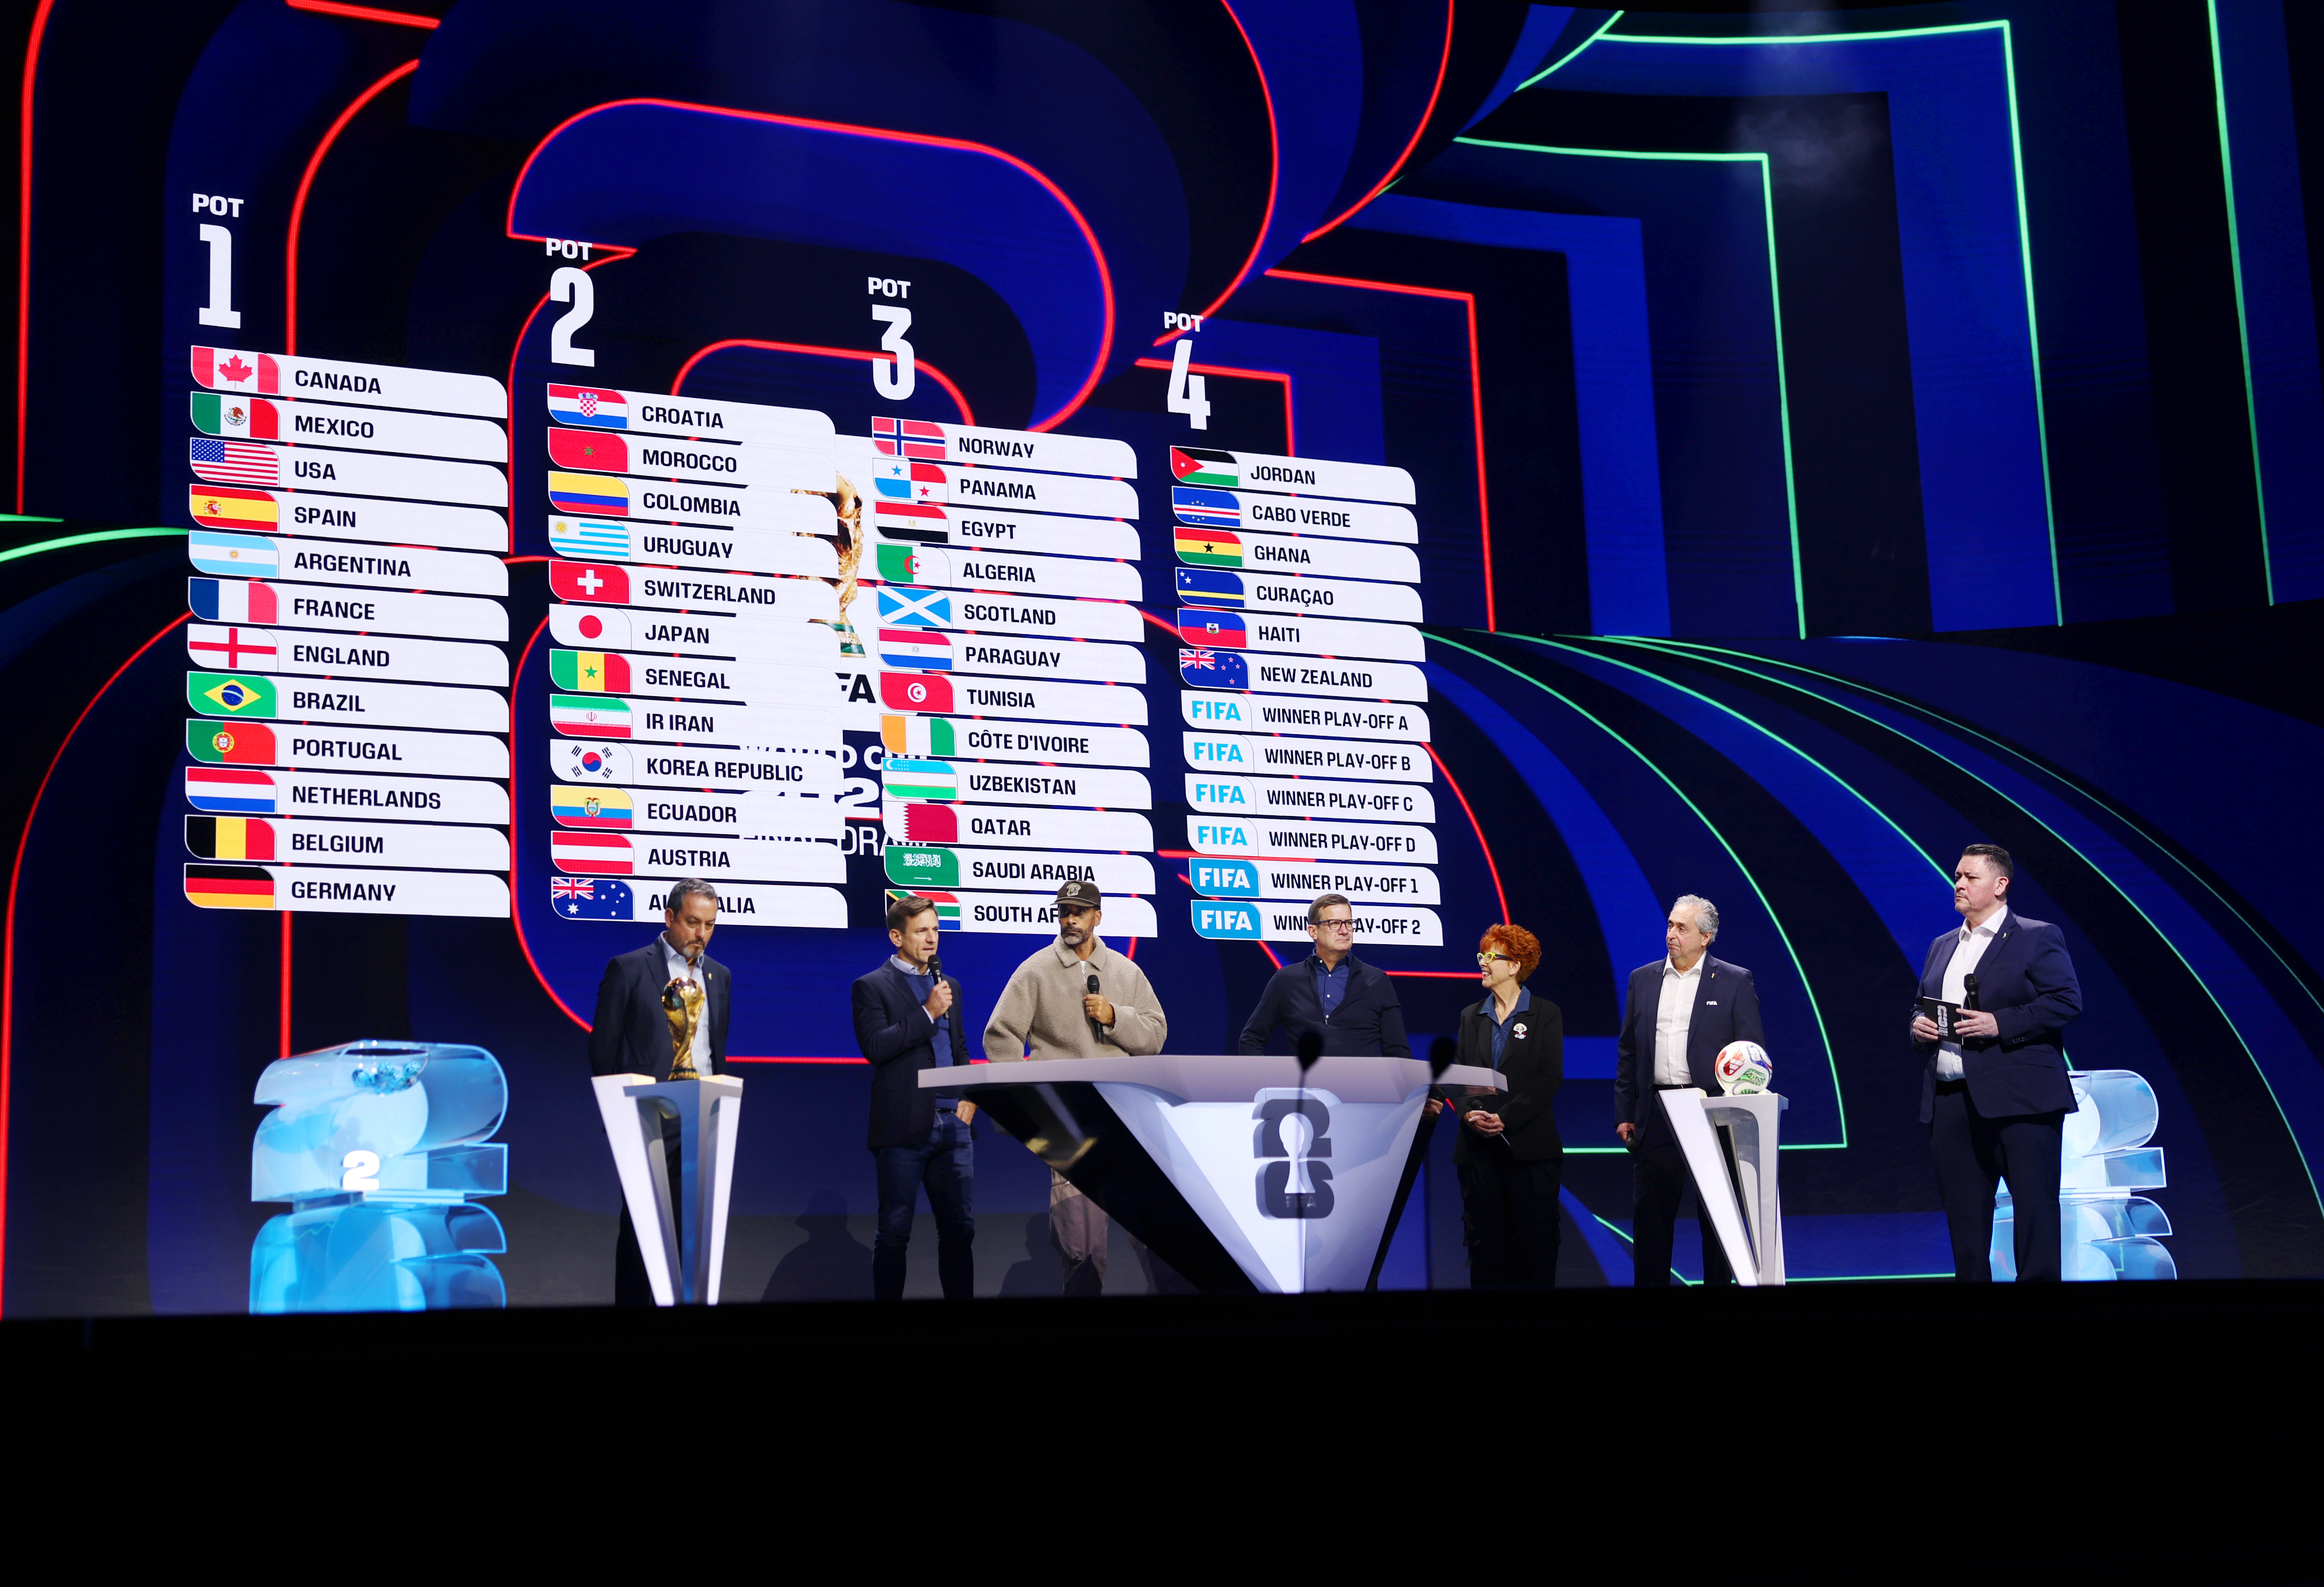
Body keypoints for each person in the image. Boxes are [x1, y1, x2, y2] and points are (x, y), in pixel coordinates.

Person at [983, 880, 1170, 1295]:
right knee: (1080, 1246)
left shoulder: (1125, 971)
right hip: (1068, 1121)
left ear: (1097, 917)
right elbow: (1000, 1036)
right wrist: (1028, 1105)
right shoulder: (1035, 971)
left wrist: (1115, 1016)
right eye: (1064, 911)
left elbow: (1155, 1034)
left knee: (1156, 1236)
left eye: (1079, 912)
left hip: (1124, 1118)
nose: (1070, 919)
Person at [1911, 843, 2081, 1282]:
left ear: (2000, 884)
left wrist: (1999, 1024)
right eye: (1957, 875)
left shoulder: (2036, 935)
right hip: (1951, 1101)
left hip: (2021, 1101)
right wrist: (1917, 1025)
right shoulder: (1941, 945)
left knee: (2034, 1215)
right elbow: (1920, 1003)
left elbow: (2065, 1001)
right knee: (1965, 1225)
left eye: (1970, 877)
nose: (1959, 884)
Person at [587, 878, 731, 1306]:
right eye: (692, 922)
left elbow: (714, 1049)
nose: (701, 933)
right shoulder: (630, 968)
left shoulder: (719, 976)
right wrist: (622, 1114)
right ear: (669, 917)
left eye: (709, 924)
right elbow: (603, 1049)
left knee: (694, 1235)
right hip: (646, 1116)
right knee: (642, 1231)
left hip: (702, 1116)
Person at [1613, 895, 1763, 1287]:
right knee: (1651, 1224)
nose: (1671, 934)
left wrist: (1739, 1116)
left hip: (1712, 1115)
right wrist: (1625, 1112)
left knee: (1718, 1225)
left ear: (1705, 937)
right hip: (1657, 1114)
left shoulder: (1734, 981)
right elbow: (1628, 1050)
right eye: (1670, 925)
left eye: (1682, 928)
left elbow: (1750, 1053)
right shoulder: (1642, 979)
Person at [852, 893, 975, 1301]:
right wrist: (927, 1013)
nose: (932, 938)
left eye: (935, 929)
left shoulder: (949, 985)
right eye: (922, 931)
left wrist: (968, 1096)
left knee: (959, 1230)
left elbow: (959, 1047)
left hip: (953, 1125)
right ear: (896, 936)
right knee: (894, 1232)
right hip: (902, 1125)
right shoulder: (871, 986)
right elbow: (876, 1046)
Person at [1452, 923, 1564, 1288]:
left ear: (1515, 966)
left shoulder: (1546, 1014)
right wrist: (1469, 1112)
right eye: (1481, 955)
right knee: (1487, 1258)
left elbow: (1548, 1077)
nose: (1482, 963)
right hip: (1479, 1156)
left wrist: (1504, 1118)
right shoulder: (1471, 1016)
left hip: (1530, 1154)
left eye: (1491, 956)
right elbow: (1459, 1076)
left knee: (1534, 1258)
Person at [1237, 893, 1410, 1057]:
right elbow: (1252, 1038)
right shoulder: (1287, 980)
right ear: (1314, 931)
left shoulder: (1377, 980)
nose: (1344, 931)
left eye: (1349, 923)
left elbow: (1398, 1049)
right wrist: (1266, 1075)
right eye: (1334, 924)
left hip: (1363, 1079)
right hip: (1306, 1079)